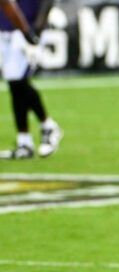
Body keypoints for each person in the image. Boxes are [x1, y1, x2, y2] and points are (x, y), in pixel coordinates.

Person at [0, 0, 60, 159]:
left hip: (27, 27)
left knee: (17, 81)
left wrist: (35, 30)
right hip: (7, 28)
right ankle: (25, 142)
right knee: (16, 84)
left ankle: (47, 126)